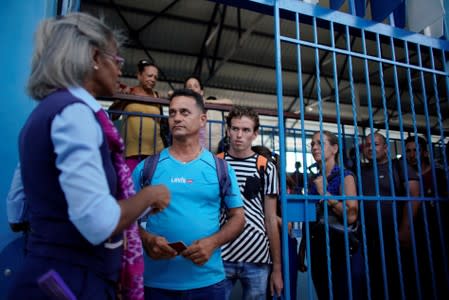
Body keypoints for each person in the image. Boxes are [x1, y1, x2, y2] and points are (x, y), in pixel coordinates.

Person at [5, 13, 170, 300]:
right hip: (71, 280)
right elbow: (98, 222)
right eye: (116, 60)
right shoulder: (76, 114)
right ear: (95, 57)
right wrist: (149, 196)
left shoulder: (46, 112)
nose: (119, 71)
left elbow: (16, 207)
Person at [132, 88, 245, 300]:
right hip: (155, 284)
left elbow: (238, 218)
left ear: (202, 120)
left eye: (184, 112)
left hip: (208, 283)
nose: (176, 118)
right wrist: (146, 239)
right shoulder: (147, 167)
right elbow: (124, 218)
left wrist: (212, 243)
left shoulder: (220, 168)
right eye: (172, 112)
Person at [219, 106, 283, 299]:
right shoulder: (216, 164)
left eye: (246, 130)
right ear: (228, 130)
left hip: (258, 257)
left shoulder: (265, 167)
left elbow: (270, 219)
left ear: (255, 134)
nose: (239, 135)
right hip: (221, 255)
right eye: (235, 128)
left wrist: (277, 268)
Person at [298, 130, 363, 300]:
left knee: (340, 293)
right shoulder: (316, 178)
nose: (314, 147)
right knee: (323, 293)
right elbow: (310, 217)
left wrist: (325, 194)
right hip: (316, 246)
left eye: (320, 143)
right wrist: (303, 249)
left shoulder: (345, 176)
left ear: (334, 148)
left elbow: (351, 216)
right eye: (312, 144)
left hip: (338, 247)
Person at [361, 132, 420, 300]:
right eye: (367, 145)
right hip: (369, 241)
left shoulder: (398, 165)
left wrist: (405, 229)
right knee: (375, 285)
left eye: (376, 144)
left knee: (399, 284)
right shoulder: (361, 169)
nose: (371, 147)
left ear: (386, 148)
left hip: (395, 238)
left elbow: (414, 193)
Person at [405, 135, 449, 299]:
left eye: (416, 150)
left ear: (424, 152)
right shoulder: (405, 176)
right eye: (408, 151)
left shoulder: (438, 174)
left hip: (438, 230)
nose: (411, 155)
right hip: (415, 231)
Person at [111, 60, 166, 171]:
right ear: (139, 76)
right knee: (132, 185)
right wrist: (122, 98)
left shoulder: (157, 96)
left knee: (151, 185)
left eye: (155, 77)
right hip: (132, 151)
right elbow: (113, 116)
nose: (153, 80)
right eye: (149, 76)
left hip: (156, 151)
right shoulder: (129, 93)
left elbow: (162, 122)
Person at [184, 75, 232, 153]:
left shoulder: (210, 106)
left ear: (201, 91)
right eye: (189, 87)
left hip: (216, 151)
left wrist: (209, 102)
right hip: (192, 150)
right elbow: (170, 93)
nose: (192, 89)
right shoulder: (183, 106)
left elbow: (229, 102)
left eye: (195, 86)